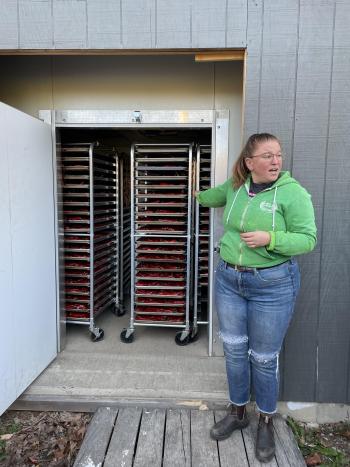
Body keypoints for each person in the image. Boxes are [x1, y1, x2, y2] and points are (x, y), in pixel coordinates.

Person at [196, 133, 316, 463]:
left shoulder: (293, 194)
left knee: (263, 358)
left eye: (278, 155)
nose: (276, 160)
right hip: (230, 280)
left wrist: (271, 238)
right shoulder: (236, 187)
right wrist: (190, 193)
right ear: (250, 163)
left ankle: (265, 420)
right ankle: (237, 412)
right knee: (234, 350)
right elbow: (209, 197)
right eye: (267, 156)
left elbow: (308, 239)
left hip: (273, 286)